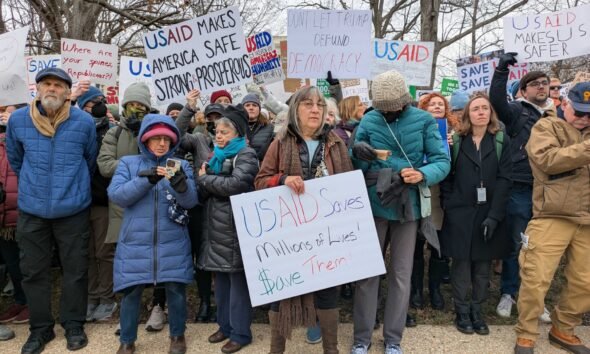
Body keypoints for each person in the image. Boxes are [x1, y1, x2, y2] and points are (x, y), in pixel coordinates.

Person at [349, 70, 450, 354]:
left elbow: (442, 160)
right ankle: (361, 338)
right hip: (376, 201)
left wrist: (422, 173)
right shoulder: (369, 119)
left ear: (404, 101)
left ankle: (393, 339)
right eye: (383, 107)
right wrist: (357, 152)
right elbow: (356, 163)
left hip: (408, 204)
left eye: (391, 106)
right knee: (368, 274)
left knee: (401, 274)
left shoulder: (424, 119)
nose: (387, 111)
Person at [255, 86, 352, 354]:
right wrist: (282, 180)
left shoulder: (336, 144)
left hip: (326, 235)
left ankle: (330, 349)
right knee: (282, 291)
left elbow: (348, 188)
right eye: (307, 104)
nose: (315, 109)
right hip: (288, 238)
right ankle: (277, 349)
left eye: (320, 105)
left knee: (327, 292)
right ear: (295, 110)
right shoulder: (280, 142)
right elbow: (260, 182)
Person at [6, 67, 97, 353]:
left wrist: (72, 189)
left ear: (68, 92)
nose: (52, 89)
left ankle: (73, 325)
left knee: (75, 271)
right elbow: (16, 159)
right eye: (47, 84)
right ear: (38, 88)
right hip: (32, 211)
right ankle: (40, 329)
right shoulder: (19, 121)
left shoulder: (84, 122)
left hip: (73, 210)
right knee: (33, 273)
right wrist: (36, 188)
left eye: (59, 85)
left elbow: (89, 160)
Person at [108, 114, 197, 354]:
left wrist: (181, 186)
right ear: (145, 140)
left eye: (166, 140)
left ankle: (177, 336)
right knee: (131, 291)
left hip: (173, 240)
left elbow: (190, 202)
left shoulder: (181, 165)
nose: (161, 144)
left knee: (176, 290)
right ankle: (127, 340)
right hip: (135, 240)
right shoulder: (128, 163)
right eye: (156, 138)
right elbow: (116, 195)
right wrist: (145, 181)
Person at [514, 82, 590, 354]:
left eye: (589, 114)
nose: (583, 118)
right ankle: (526, 332)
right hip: (552, 215)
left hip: (587, 219)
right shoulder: (547, 127)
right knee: (536, 278)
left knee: (585, 282)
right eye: (579, 111)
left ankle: (564, 328)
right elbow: (547, 161)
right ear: (565, 104)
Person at [489, 52, 556, 322]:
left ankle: (536, 300)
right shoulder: (517, 112)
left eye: (545, 83)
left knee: (542, 248)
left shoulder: (557, 115)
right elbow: (496, 101)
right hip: (520, 187)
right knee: (518, 243)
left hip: (549, 189)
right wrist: (501, 71)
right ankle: (508, 292)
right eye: (535, 83)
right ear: (525, 90)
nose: (541, 86)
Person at [439, 94, 512, 335]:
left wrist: (495, 215)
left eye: (485, 108)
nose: (481, 112)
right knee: (461, 265)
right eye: (475, 109)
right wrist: (449, 203)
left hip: (489, 212)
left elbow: (505, 179)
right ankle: (461, 310)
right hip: (460, 212)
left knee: (482, 266)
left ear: (491, 113)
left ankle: (477, 309)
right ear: (467, 114)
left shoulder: (501, 140)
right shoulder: (457, 140)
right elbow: (447, 175)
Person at [197, 104, 259, 354]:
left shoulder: (246, 154)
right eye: (217, 132)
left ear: (238, 133)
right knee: (220, 281)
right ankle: (224, 325)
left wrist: (205, 179)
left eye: (224, 132)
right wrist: (203, 181)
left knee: (237, 284)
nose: (219, 136)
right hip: (215, 227)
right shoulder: (216, 156)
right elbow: (205, 190)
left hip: (235, 229)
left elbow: (236, 184)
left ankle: (241, 332)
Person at [412, 92, 458, 312]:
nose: (437, 107)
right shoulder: (415, 129)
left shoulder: (454, 132)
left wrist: (454, 145)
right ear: (424, 108)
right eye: (433, 104)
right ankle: (416, 290)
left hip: (441, 194)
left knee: (438, 245)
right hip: (418, 189)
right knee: (415, 244)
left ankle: (435, 288)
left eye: (441, 104)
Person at [76, 86, 118, 322]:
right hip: (79, 201)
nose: (99, 106)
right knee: (88, 253)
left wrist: (111, 125)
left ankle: (107, 298)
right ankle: (92, 297)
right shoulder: (75, 128)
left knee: (103, 252)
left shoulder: (111, 131)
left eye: (102, 101)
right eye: (93, 103)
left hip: (102, 200)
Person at [0, 105, 27, 342]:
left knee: (21, 264)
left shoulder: (19, 141)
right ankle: (18, 301)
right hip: (2, 216)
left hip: (18, 214)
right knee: (9, 264)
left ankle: (26, 302)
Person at [242, 93, 274, 161]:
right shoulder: (236, 127)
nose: (251, 108)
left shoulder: (270, 128)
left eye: (254, 105)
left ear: (259, 109)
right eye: (247, 105)